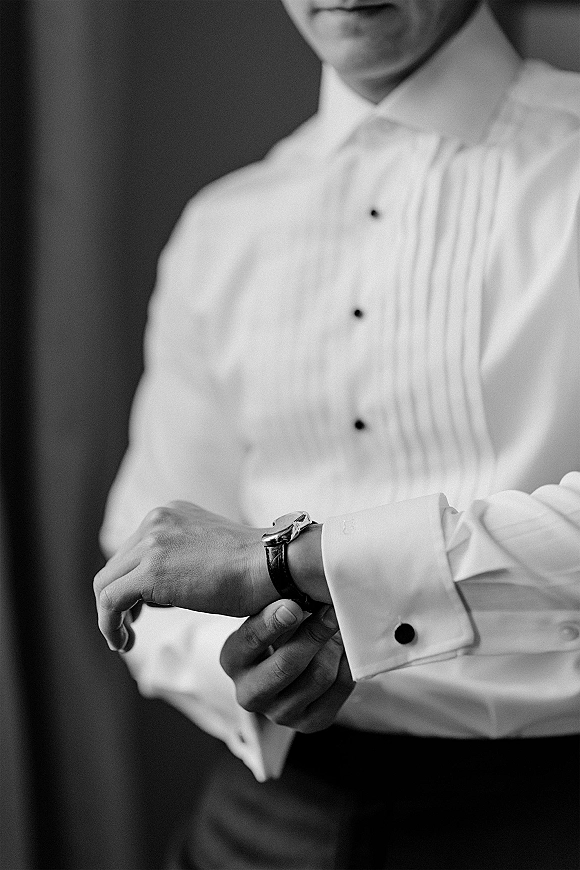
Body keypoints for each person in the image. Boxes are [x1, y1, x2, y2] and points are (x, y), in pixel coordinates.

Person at [95, 1, 580, 867]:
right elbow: (149, 548)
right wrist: (248, 660)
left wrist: (290, 564)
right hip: (269, 808)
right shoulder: (220, 229)